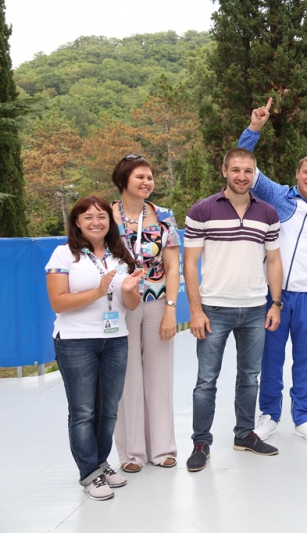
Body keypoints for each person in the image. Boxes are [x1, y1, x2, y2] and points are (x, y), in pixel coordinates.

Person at [238, 100, 307, 444]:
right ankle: (269, 415)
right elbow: (245, 166)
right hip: (275, 295)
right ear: (297, 174)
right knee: (272, 359)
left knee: (305, 360)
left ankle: (303, 418)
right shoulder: (278, 196)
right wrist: (254, 128)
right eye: (306, 172)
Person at [184, 147, 283, 472]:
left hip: (255, 308)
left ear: (254, 173)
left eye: (248, 170)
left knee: (250, 377)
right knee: (206, 381)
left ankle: (244, 435)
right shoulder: (202, 210)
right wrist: (195, 311)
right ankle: (201, 442)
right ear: (224, 170)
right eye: (236, 170)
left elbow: (274, 260)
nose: (242, 176)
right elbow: (189, 263)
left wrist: (275, 303)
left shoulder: (268, 213)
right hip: (214, 308)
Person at [45, 196, 145, 501]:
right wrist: (99, 291)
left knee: (108, 410)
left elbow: (130, 304)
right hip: (75, 341)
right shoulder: (64, 255)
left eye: (101, 216)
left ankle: (100, 463)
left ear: (109, 221)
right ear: (77, 222)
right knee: (83, 411)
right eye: (87, 217)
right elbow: (58, 302)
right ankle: (89, 473)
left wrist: (129, 290)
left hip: (115, 339)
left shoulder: (120, 255)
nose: (95, 222)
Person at [110, 155, 181, 473]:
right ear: (123, 179)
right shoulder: (104, 215)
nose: (146, 182)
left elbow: (173, 267)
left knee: (159, 374)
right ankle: (131, 453)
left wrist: (170, 310)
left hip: (156, 302)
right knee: (126, 378)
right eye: (139, 176)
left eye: (150, 177)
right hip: (118, 305)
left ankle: (162, 448)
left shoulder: (164, 216)